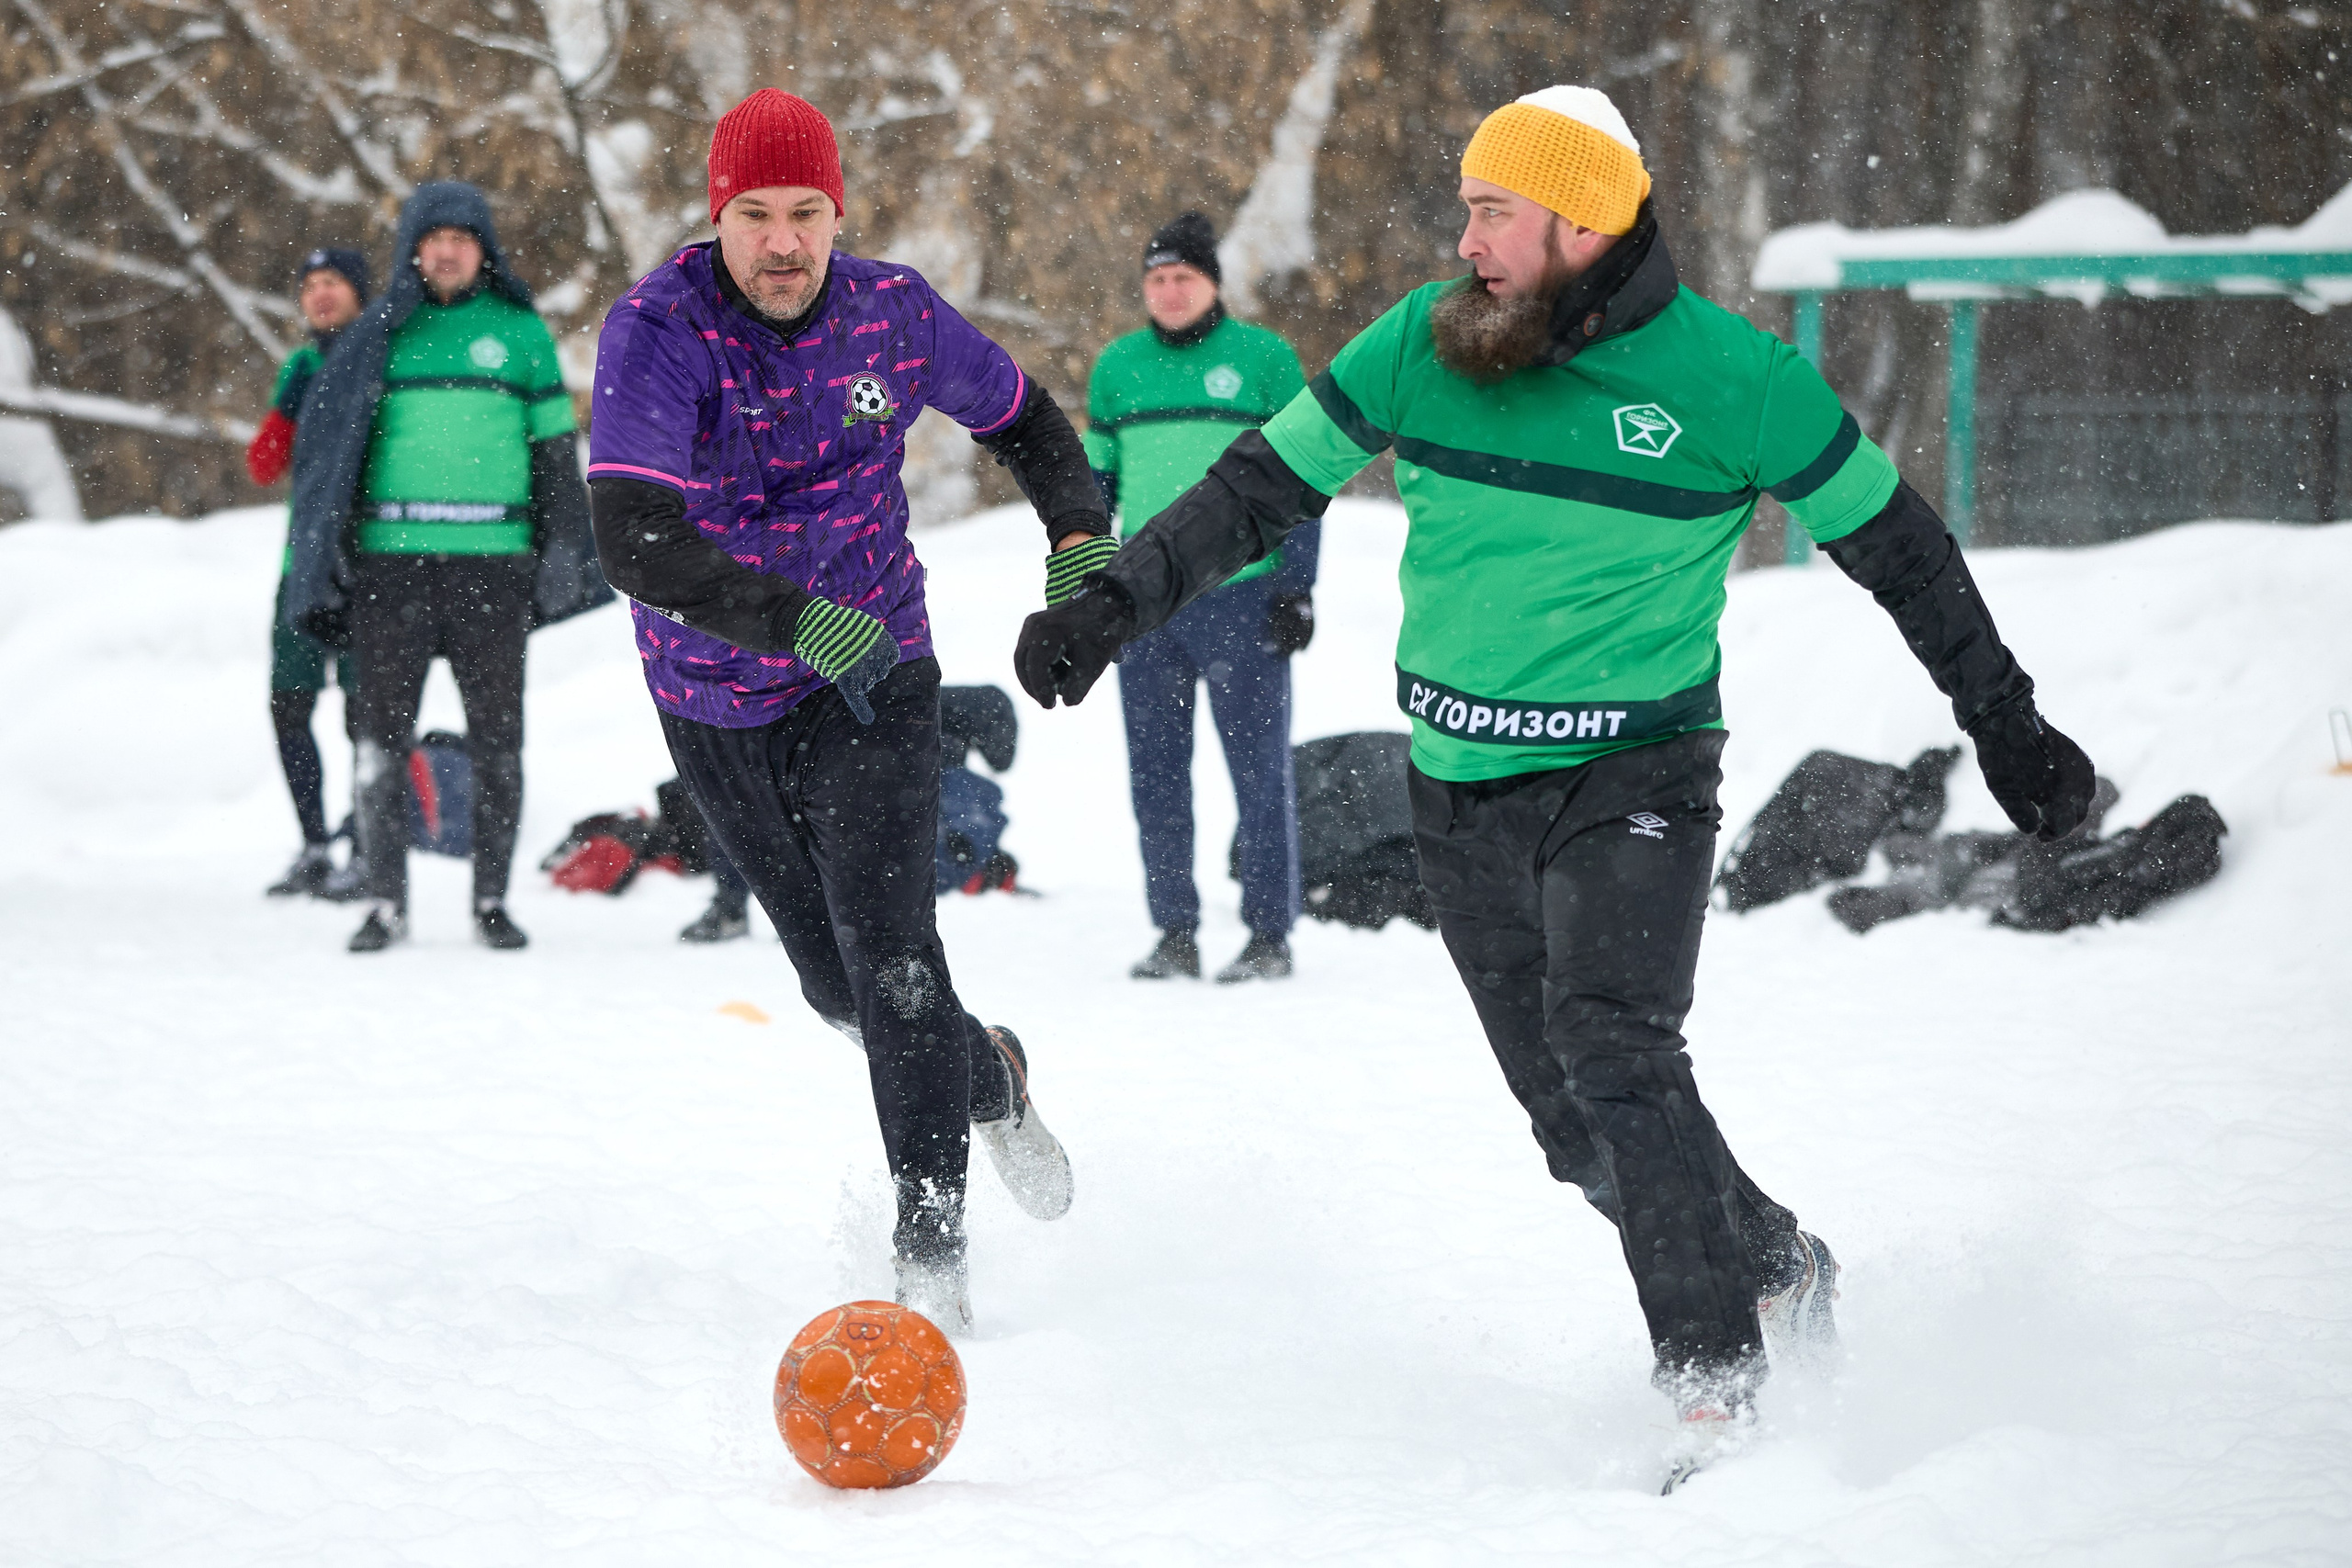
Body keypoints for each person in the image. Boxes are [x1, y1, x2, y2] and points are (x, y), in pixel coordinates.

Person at [1014, 85, 2097, 1483]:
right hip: (1456, 781)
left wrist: (2004, 722)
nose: (1463, 235)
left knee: (1618, 1047)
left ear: (1583, 220)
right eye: (1466, 205)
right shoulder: (1424, 339)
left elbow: (1903, 549)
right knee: (1574, 1128)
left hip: (1634, 770)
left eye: (1493, 210)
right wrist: (1116, 601)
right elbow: (1253, 492)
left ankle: (1714, 1383)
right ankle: (1776, 1260)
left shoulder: (1735, 380)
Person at [586, 89, 1109, 1330]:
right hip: (717, 694)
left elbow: (1031, 423)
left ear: (837, 214)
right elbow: (636, 538)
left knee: (894, 961)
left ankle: (931, 1261)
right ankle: (995, 1078)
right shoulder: (659, 330)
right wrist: (787, 621)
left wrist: (1082, 542)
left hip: (877, 676)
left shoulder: (894, 314)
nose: (782, 243)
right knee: (835, 989)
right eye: (755, 215)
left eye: (806, 214)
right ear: (718, 216)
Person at [285, 183, 610, 953]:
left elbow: (556, 460)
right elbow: (329, 452)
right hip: (389, 571)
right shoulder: (378, 333)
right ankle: (385, 903)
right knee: (378, 744)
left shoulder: (521, 333)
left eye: (464, 237)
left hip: (493, 569)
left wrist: (565, 557)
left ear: (483, 249)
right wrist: (327, 558)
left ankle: (491, 901)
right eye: (434, 238)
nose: (448, 249)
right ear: (414, 249)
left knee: (500, 742)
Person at [1084, 213, 1317, 985]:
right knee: (1154, 772)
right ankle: (1174, 932)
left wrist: (1296, 587)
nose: (1170, 290)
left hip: (1243, 597)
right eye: (1156, 278)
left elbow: (1307, 477)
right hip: (1146, 604)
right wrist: (1092, 585)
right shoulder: (1118, 367)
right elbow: (1095, 488)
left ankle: (1269, 935)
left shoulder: (1263, 360)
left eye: (1184, 276)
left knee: (1258, 770)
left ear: (1214, 282)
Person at [253, 247, 369, 899]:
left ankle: (364, 842)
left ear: (359, 293)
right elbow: (264, 465)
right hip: (302, 565)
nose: (321, 294)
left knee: (366, 712)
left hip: (362, 566)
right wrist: (289, 405)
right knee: (289, 704)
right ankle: (313, 844)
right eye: (310, 284)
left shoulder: (377, 357)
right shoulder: (299, 365)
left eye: (334, 282)